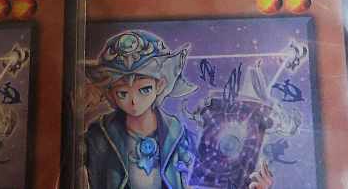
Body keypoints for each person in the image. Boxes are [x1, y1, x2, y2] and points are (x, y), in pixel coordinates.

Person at [84, 29, 273, 189]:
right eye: (123, 93)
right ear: (111, 93)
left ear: (160, 85)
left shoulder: (175, 132)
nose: (134, 101)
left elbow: (199, 181)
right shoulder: (99, 135)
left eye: (144, 89)